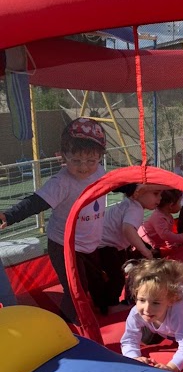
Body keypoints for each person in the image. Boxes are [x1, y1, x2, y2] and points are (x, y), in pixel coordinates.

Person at [0, 117, 107, 323]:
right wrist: (9, 216)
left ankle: (98, 308)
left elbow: (116, 184)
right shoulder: (61, 182)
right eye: (76, 161)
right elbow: (35, 202)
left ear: (100, 157)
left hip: (89, 242)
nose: (84, 168)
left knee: (96, 279)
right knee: (75, 288)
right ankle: (67, 324)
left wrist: (135, 187)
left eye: (91, 161)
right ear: (63, 156)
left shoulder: (100, 172)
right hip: (63, 244)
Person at [97, 183, 166, 308]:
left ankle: (105, 297)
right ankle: (111, 305)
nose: (160, 198)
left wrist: (144, 246)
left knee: (117, 271)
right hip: (105, 246)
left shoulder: (130, 204)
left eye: (161, 194)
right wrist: (145, 251)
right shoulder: (135, 209)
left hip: (108, 244)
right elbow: (128, 229)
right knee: (117, 277)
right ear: (137, 193)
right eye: (156, 194)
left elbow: (130, 231)